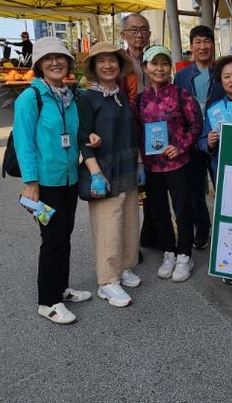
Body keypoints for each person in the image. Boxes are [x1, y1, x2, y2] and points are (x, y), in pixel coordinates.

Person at [13, 37, 95, 324]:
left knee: (64, 236)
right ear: (39, 65)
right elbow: (24, 142)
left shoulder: (69, 96)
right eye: (48, 58)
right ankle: (47, 302)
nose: (55, 62)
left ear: (69, 63)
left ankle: (61, 288)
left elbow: (75, 134)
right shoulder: (30, 98)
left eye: (60, 57)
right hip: (45, 183)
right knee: (52, 240)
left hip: (69, 179)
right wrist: (31, 183)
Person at [77, 43, 141, 308]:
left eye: (112, 60)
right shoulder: (87, 98)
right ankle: (107, 281)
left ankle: (122, 266)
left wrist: (139, 164)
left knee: (128, 221)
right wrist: (95, 173)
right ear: (94, 67)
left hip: (126, 167)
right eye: (101, 61)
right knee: (108, 225)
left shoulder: (120, 95)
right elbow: (82, 138)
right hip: (103, 170)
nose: (108, 65)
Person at [134, 45, 202, 282]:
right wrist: (140, 162)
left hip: (179, 164)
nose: (160, 68)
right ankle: (169, 252)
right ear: (146, 67)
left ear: (170, 67)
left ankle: (184, 255)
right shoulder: (139, 100)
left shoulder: (181, 95)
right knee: (159, 212)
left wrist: (179, 146)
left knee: (183, 210)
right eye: (154, 63)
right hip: (152, 167)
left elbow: (196, 125)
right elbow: (137, 133)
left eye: (164, 63)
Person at [174, 25, 226, 250]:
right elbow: (175, 108)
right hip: (192, 142)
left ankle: (227, 230)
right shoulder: (182, 76)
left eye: (207, 41)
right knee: (195, 190)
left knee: (224, 186)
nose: (203, 46)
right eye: (198, 42)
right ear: (191, 46)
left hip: (220, 140)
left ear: (213, 45)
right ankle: (202, 227)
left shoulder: (223, 71)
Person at [119, 12, 154, 257]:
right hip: (129, 130)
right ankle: (128, 245)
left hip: (154, 131)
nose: (139, 34)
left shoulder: (155, 58)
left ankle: (150, 235)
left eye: (143, 30)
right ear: (124, 34)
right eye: (133, 30)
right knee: (130, 190)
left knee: (154, 186)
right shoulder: (119, 63)